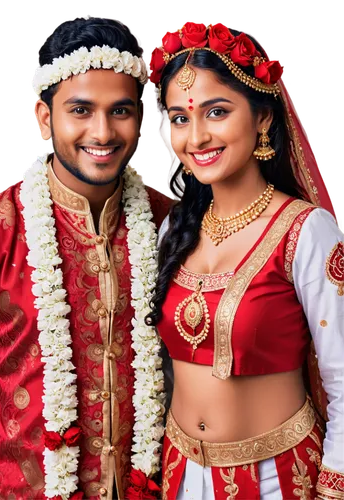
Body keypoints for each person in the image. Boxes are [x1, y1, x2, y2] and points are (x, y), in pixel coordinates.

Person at [146, 18, 344, 499]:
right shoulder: (176, 228)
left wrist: (334, 485)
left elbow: (342, 377)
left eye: (216, 112)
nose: (196, 138)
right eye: (179, 118)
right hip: (178, 474)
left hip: (278, 478)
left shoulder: (306, 230)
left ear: (263, 118)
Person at [0, 16, 173, 500]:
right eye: (81, 110)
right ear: (44, 118)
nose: (103, 131)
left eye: (121, 111)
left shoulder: (171, 223)